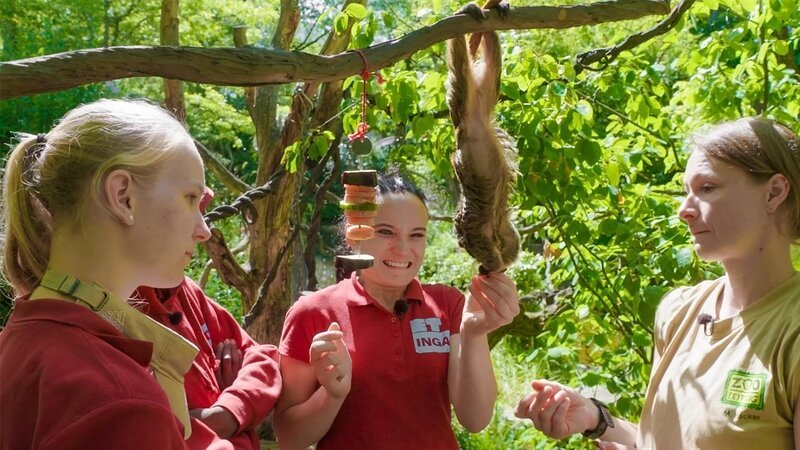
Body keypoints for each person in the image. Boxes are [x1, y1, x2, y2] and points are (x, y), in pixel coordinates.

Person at [514, 117, 800, 449]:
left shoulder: (792, 332)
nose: (684, 210)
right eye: (685, 191)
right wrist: (595, 419)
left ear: (774, 192)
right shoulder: (678, 311)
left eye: (707, 188)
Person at [0, 99, 212, 449]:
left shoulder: (21, 342)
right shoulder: (122, 404)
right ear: (123, 196)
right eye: (191, 197)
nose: (203, 230)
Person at [273, 171, 521, 450]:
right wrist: (332, 394)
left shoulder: (449, 304)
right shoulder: (312, 313)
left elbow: (475, 419)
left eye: (416, 235)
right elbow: (289, 438)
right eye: (386, 232)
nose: (403, 249)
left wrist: (474, 334)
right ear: (355, 234)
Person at [134, 191, 282, 450]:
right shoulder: (109, 315)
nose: (205, 231)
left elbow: (263, 358)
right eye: (191, 207)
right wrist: (225, 413)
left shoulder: (184, 291)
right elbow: (147, 428)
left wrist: (229, 408)